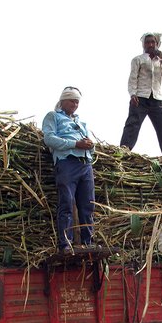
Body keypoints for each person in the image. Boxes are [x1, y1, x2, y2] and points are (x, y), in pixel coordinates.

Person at [41, 86, 95, 253]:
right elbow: (49, 139)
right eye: (72, 100)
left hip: (85, 164)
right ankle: (65, 244)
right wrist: (75, 144)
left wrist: (90, 146)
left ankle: (88, 242)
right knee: (66, 203)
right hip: (67, 163)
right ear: (63, 101)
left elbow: (90, 145)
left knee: (88, 205)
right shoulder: (53, 116)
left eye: (77, 101)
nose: (75, 104)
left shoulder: (80, 122)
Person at [120, 32, 162, 154]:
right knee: (132, 125)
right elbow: (133, 78)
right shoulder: (138, 59)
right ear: (144, 44)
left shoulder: (160, 61)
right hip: (140, 98)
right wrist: (133, 94)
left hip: (156, 98)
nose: (150, 44)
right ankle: (123, 151)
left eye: (153, 42)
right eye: (147, 42)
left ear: (157, 44)